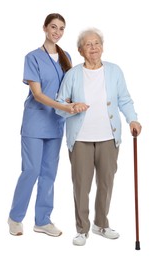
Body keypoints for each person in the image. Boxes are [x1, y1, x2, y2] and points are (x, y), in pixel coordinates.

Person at [55, 28, 142, 246]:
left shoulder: (114, 71)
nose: (93, 48)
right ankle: (82, 229)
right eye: (88, 44)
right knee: (81, 186)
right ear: (80, 50)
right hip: (81, 138)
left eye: (97, 43)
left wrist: (132, 119)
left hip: (108, 138)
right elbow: (59, 105)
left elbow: (124, 100)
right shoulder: (72, 74)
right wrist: (72, 106)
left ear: (102, 47)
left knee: (106, 183)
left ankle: (101, 224)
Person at [8, 13, 86, 237]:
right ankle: (15, 218)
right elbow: (38, 95)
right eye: (54, 27)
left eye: (61, 28)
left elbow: (68, 91)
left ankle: (42, 220)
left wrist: (74, 104)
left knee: (49, 173)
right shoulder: (32, 57)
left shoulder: (67, 56)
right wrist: (64, 107)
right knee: (31, 171)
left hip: (56, 124)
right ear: (44, 28)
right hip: (35, 122)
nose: (57, 32)